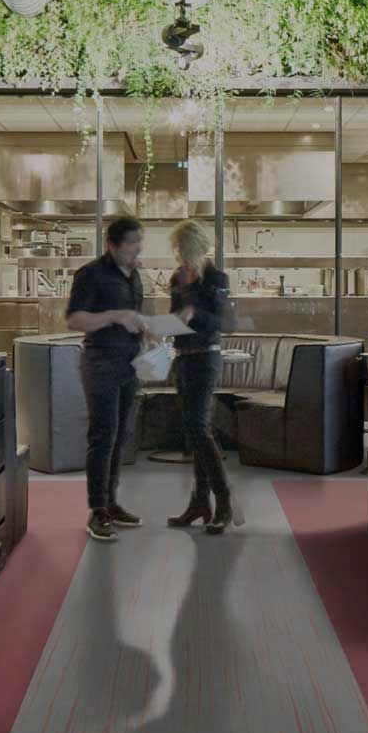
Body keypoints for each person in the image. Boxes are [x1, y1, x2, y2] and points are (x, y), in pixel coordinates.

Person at [66, 217, 148, 542]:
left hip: (130, 364)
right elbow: (75, 319)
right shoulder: (91, 274)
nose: (137, 248)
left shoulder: (134, 274)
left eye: (139, 241)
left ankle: (111, 503)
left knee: (120, 436)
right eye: (131, 242)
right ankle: (97, 511)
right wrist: (115, 316)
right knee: (103, 435)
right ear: (112, 244)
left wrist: (145, 328)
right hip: (100, 362)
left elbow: (132, 318)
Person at [165, 220, 233, 535]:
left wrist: (193, 312)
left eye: (182, 249)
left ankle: (224, 503)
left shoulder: (215, 279)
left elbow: (222, 321)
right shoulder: (177, 279)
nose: (179, 255)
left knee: (198, 429)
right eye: (177, 250)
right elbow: (176, 319)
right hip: (183, 360)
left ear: (196, 248)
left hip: (206, 359)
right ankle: (199, 503)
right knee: (194, 432)